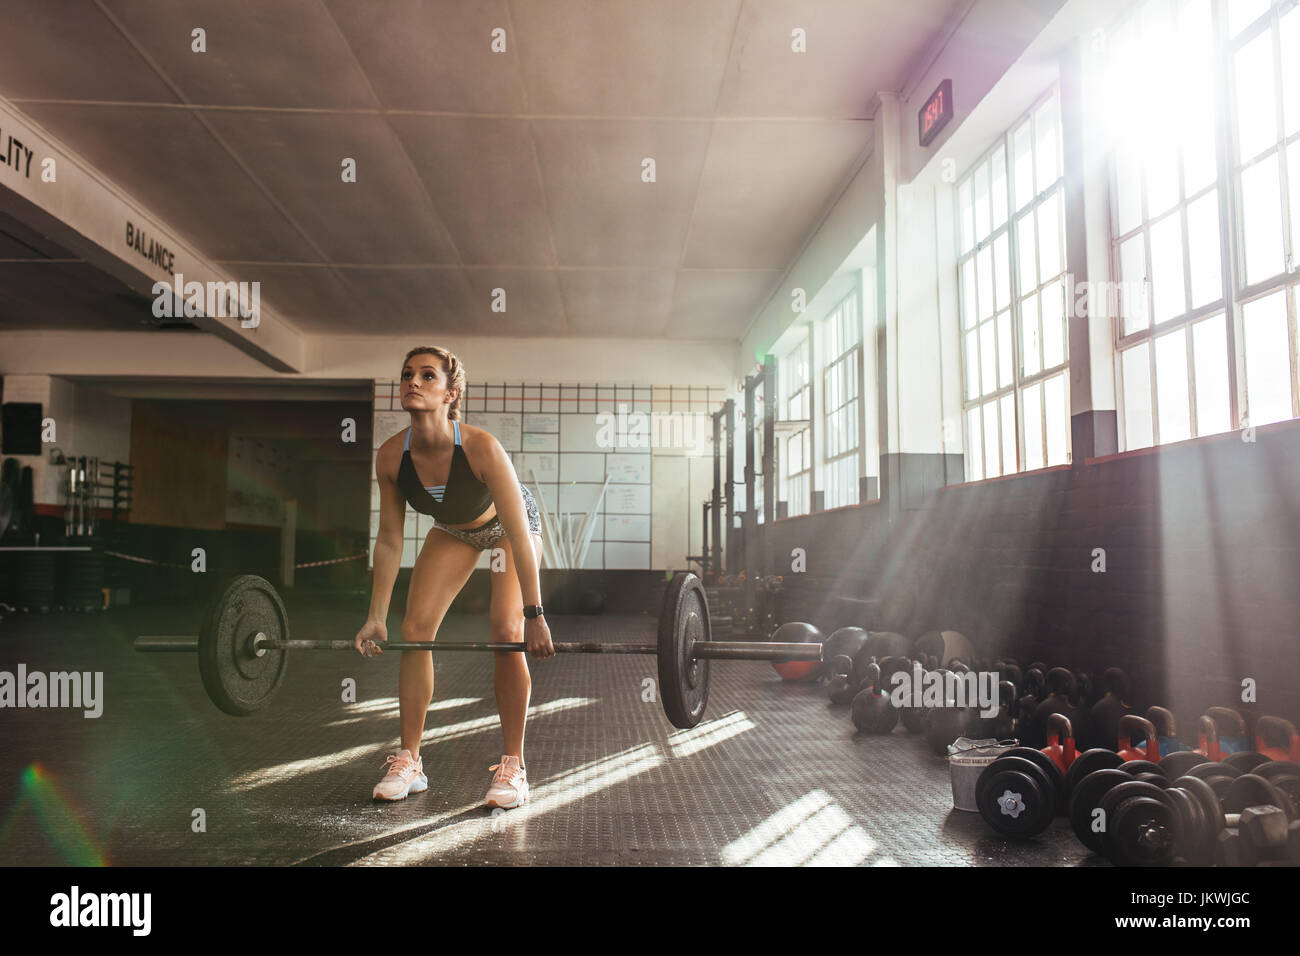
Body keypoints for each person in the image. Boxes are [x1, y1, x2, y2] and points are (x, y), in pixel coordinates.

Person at [355, 346, 550, 809]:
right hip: (455, 531)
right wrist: (375, 616)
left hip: (509, 529)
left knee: (506, 632)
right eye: (407, 375)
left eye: (427, 375)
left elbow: (520, 534)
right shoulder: (390, 457)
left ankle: (514, 766)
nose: (413, 382)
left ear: (451, 392)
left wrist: (535, 614)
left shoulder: (480, 447)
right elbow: (388, 540)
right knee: (414, 631)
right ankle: (411, 761)